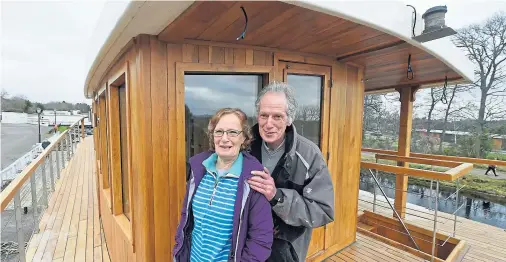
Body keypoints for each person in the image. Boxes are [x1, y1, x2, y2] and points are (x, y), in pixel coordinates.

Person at [247, 82, 335, 262]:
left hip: (284, 249)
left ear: (289, 119)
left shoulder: (309, 155)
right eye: (264, 115)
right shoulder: (244, 147)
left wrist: (277, 196)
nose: (268, 124)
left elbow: (323, 211)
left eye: (277, 116)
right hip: (247, 243)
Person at [173, 108, 274, 262]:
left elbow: (261, 240)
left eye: (233, 132)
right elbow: (186, 217)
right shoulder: (199, 169)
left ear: (244, 138)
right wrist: (179, 251)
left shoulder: (254, 178)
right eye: (219, 132)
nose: (224, 138)